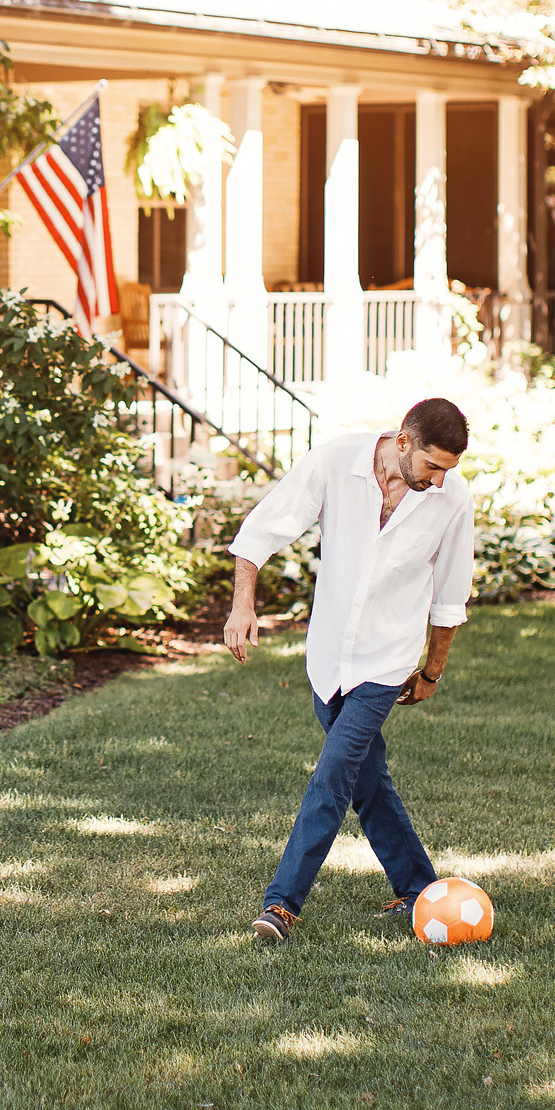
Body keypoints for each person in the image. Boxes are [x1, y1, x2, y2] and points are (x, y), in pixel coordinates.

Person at [225, 396, 474, 943]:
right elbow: (263, 529)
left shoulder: (451, 498)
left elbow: (451, 595)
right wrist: (244, 604)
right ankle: (418, 889)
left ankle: (280, 904)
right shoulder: (338, 461)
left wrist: (431, 672)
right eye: (432, 465)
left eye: (448, 470)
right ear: (402, 442)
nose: (438, 481)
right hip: (328, 658)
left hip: (386, 661)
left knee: (334, 776)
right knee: (368, 780)